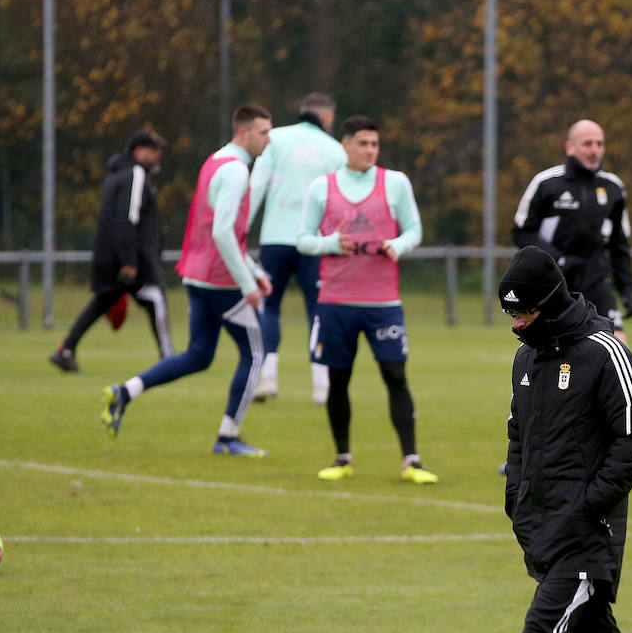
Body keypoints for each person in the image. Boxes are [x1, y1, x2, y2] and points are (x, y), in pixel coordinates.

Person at [445, 246, 632, 633]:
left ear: (548, 302)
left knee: (541, 630)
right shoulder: (526, 359)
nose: (516, 323)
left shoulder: (605, 351)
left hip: (591, 534)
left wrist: (588, 506)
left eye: (523, 312)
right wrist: (516, 501)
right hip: (543, 529)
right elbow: (518, 435)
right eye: (509, 314)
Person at [100, 105, 274, 456]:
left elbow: (221, 231)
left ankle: (126, 391)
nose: (268, 139)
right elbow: (224, 232)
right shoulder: (238, 171)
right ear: (243, 133)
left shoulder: (215, 160)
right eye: (263, 132)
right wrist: (247, 283)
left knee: (199, 354)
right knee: (256, 354)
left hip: (197, 274)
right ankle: (228, 438)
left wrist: (255, 271)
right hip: (223, 281)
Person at [294, 115, 437, 484]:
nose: (370, 150)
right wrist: (331, 244)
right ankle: (342, 458)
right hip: (336, 302)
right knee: (338, 379)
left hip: (383, 303)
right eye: (363, 143)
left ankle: (412, 461)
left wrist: (398, 244)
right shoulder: (321, 189)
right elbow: (303, 240)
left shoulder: (395, 183)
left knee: (396, 376)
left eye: (374, 144)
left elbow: (415, 229)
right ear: (345, 145)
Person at [248, 92, 346, 403]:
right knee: (318, 309)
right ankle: (321, 385)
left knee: (269, 306)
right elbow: (340, 199)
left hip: (275, 237)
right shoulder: (334, 149)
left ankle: (267, 378)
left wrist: (241, 229)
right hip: (316, 242)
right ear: (327, 117)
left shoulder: (273, 140)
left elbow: (256, 187)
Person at [50, 130, 173, 372]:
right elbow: (127, 218)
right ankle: (169, 358)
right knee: (155, 298)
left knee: (101, 303)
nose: (158, 156)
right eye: (154, 150)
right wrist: (129, 260)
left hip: (109, 257)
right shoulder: (135, 174)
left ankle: (66, 349)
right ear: (139, 151)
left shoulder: (117, 176)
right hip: (129, 261)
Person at [513, 119, 632, 342]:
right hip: (555, 283)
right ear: (570, 147)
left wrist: (626, 289)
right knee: (552, 348)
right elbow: (522, 233)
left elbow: (620, 243)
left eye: (600, 144)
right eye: (587, 144)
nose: (595, 150)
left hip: (596, 281)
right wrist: (558, 260)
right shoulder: (546, 184)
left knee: (617, 343)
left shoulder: (613, 187)